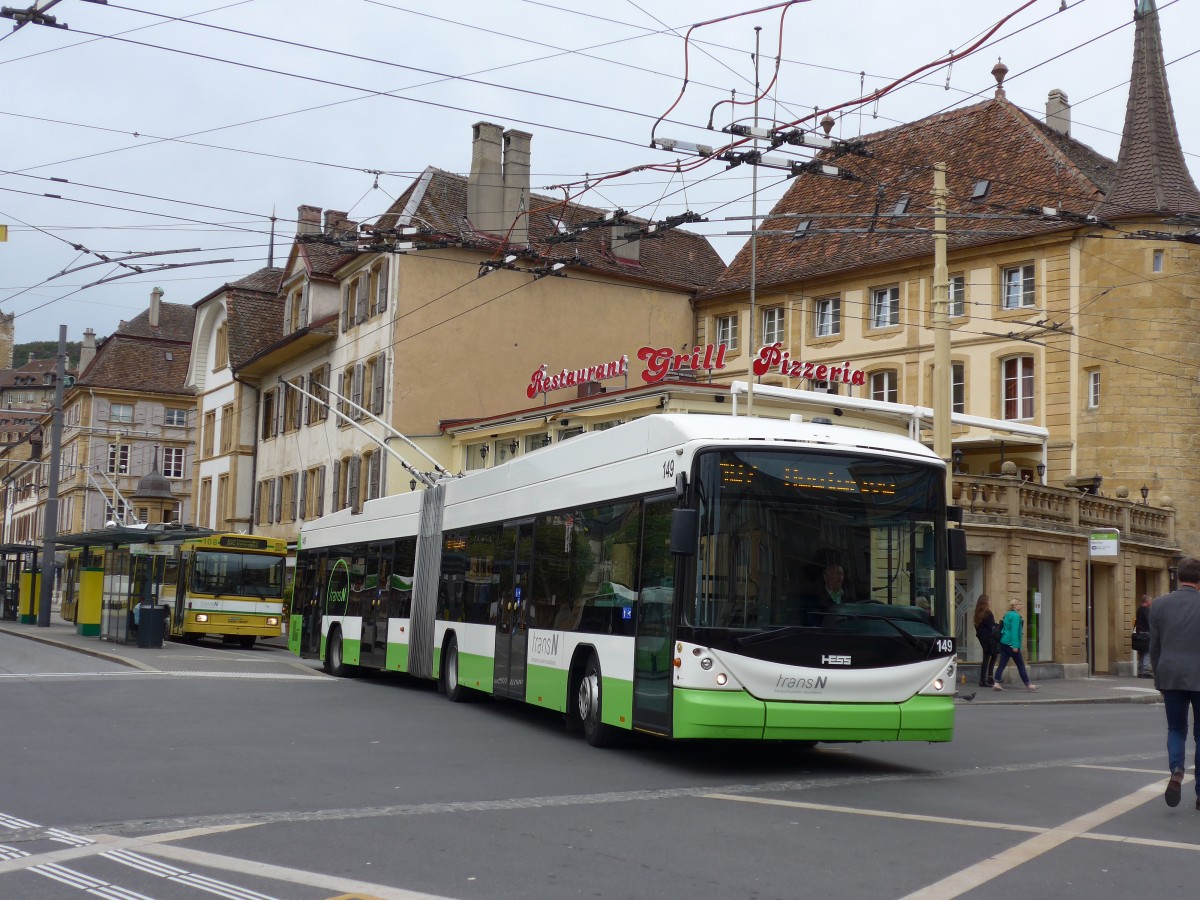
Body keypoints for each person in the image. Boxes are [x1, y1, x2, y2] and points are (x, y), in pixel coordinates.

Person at [1149, 557, 1200, 809]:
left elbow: (1154, 646)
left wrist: (1159, 678)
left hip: (1170, 675)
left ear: (1179, 577)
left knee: (1176, 729)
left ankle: (1177, 770)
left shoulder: (1159, 605)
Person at [992, 598, 1037, 691]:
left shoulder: (1007, 614)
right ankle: (1028, 684)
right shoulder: (1016, 616)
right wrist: (1015, 645)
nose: (1021, 605)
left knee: (1002, 664)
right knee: (1020, 664)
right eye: (1020, 604)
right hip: (1011, 643)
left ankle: (996, 682)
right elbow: (1015, 631)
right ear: (1015, 606)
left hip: (1004, 641)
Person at [973, 594, 999, 687]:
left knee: (988, 657)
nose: (990, 602)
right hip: (989, 639)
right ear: (985, 602)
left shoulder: (977, 613)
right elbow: (991, 627)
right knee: (993, 656)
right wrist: (997, 625)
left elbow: (978, 627)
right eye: (989, 600)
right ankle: (986, 679)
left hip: (982, 639)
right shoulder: (988, 613)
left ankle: (986, 679)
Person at [1134, 594, 1153, 678]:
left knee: (1142, 652)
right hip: (1145, 634)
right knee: (1147, 652)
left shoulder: (1139, 609)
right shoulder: (1146, 610)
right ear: (1147, 601)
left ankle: (1141, 670)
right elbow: (1149, 621)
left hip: (1139, 633)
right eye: (1151, 600)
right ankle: (1145, 671)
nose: (1151, 602)